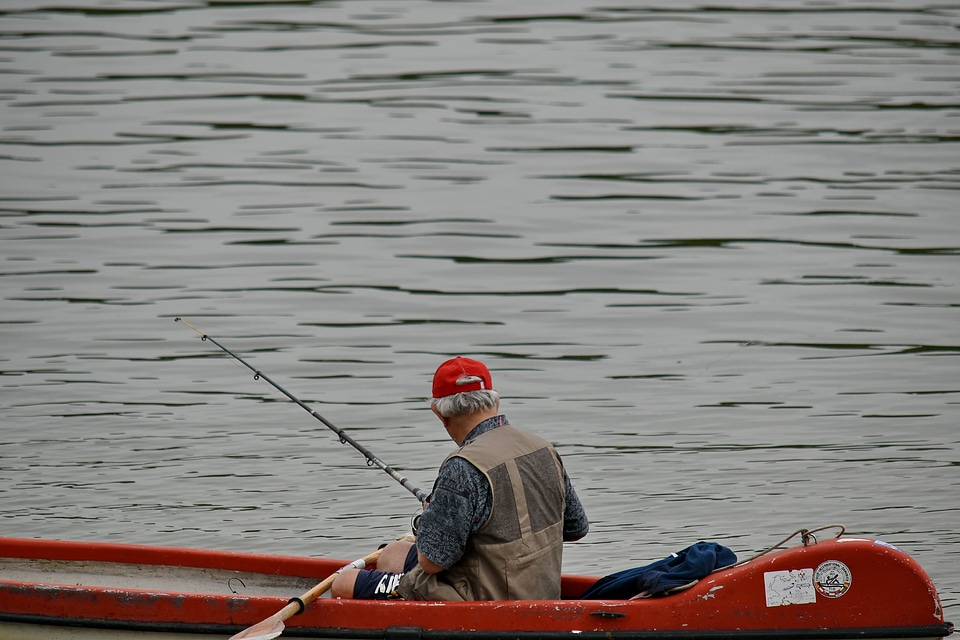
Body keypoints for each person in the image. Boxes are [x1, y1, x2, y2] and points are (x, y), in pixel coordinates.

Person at [331, 356, 588, 601]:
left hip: (483, 598)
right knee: (392, 553)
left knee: (343, 582)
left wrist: (433, 520)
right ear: (494, 402)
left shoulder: (462, 467)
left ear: (439, 413)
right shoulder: (544, 448)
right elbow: (576, 528)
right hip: (541, 588)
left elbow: (432, 563)